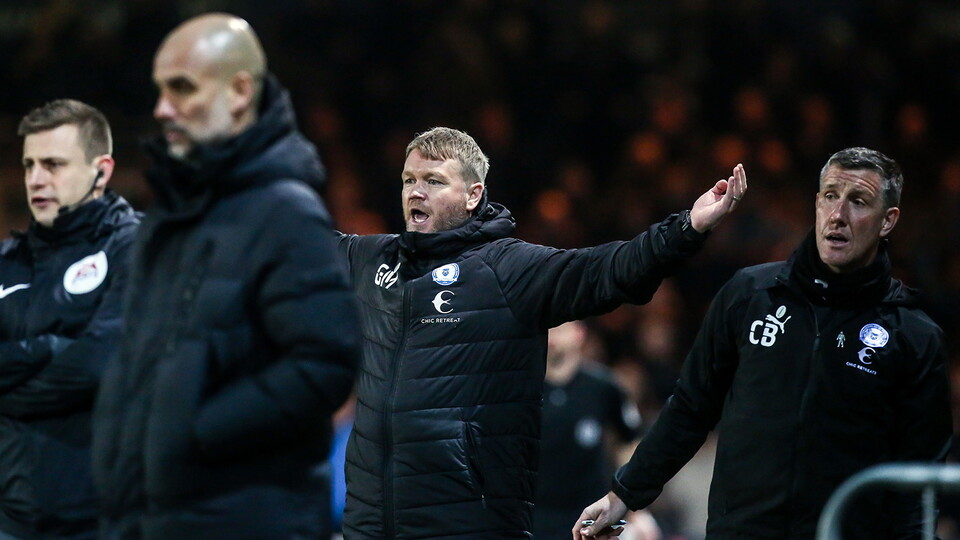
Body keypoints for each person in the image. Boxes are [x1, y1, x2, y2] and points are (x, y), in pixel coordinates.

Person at [338, 126, 746, 538]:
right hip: (370, 523)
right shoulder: (371, 261)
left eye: (433, 181)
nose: (415, 191)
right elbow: (303, 247)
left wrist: (687, 227)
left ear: (473, 195)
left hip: (469, 523)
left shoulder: (508, 269)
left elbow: (608, 269)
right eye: (409, 179)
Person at [576, 147, 953, 540]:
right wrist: (624, 494)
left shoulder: (912, 336)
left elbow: (919, 479)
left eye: (858, 201)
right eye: (830, 196)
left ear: (888, 220)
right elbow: (690, 409)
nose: (838, 214)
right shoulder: (750, 294)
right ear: (817, 203)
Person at [90, 13, 360, 540]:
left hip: (247, 518)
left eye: (182, 88)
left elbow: (324, 364)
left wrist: (196, 430)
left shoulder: (285, 211)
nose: (162, 108)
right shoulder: (171, 215)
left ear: (239, 92)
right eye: (160, 89)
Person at [0, 99, 139, 540]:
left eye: (53, 164)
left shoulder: (136, 247)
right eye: (29, 165)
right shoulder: (7, 263)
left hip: (104, 519)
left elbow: (100, 363)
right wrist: (52, 348)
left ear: (102, 170)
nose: (36, 179)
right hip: (12, 517)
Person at [534, 321, 659, 540]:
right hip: (536, 514)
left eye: (560, 331)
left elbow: (629, 444)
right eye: (548, 331)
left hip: (590, 512)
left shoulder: (604, 387)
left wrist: (634, 507)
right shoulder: (523, 389)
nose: (553, 339)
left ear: (579, 334)